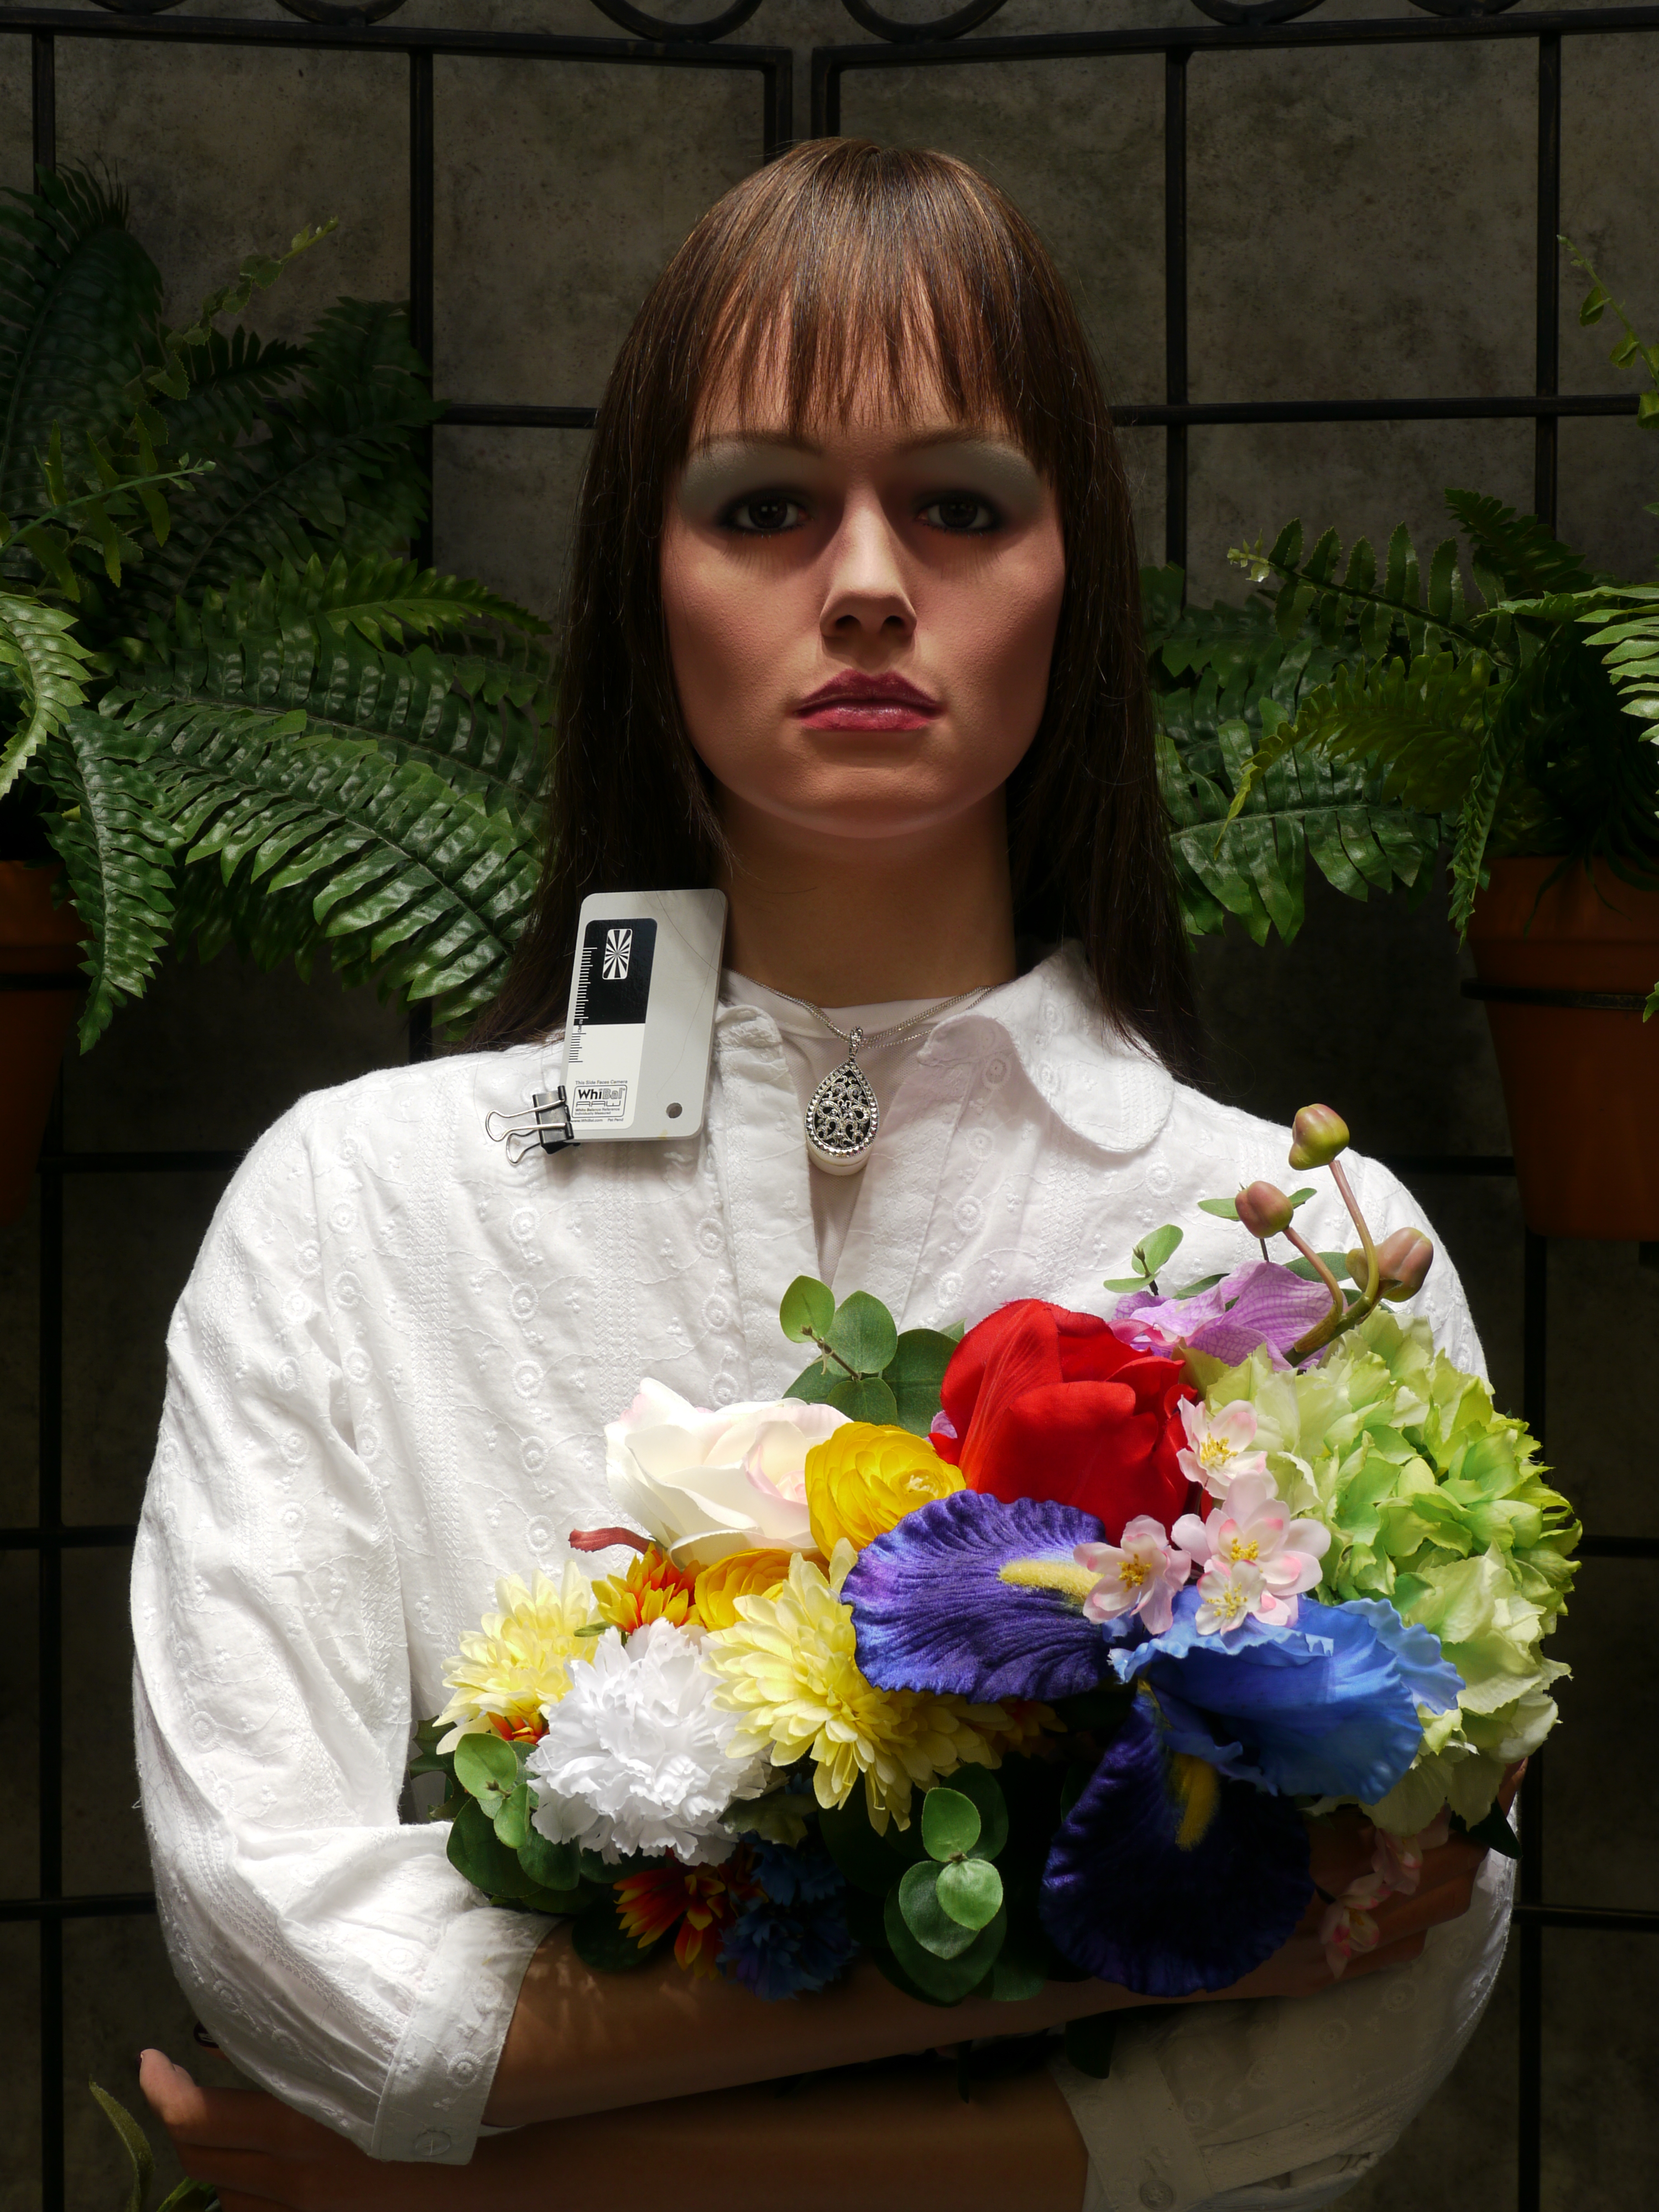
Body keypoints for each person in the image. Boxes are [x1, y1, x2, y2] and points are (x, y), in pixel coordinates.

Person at [136, 141, 1515, 2212]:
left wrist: (493, 2191)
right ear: (646, 579)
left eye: (959, 505)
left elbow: (1361, 2050)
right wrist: (1109, 1968)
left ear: (1076, 577)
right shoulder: (357, 1213)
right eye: (766, 507)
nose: (866, 580)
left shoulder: (1321, 1263)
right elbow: (277, 1933)